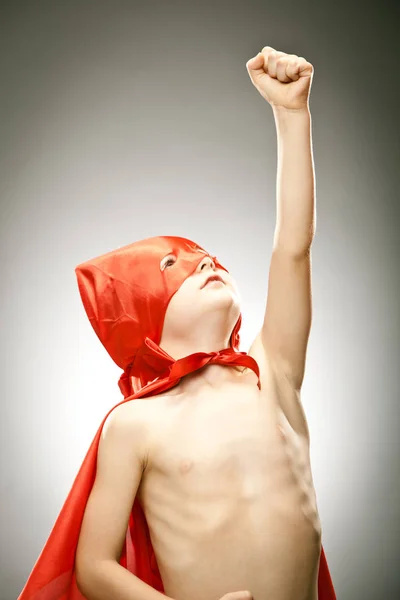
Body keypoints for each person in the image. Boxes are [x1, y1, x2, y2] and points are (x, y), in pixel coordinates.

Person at [18, 47, 336, 600]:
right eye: (176, 265)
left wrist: (292, 115)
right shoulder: (136, 425)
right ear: (146, 321)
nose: (207, 262)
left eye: (210, 257)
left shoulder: (271, 371)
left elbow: (294, 247)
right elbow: (94, 564)